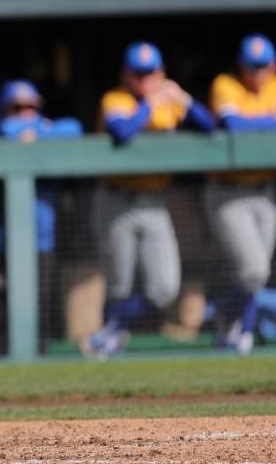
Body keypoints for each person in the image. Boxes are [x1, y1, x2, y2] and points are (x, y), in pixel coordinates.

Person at [84, 41, 215, 360]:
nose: (144, 80)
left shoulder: (169, 102)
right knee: (119, 283)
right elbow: (122, 130)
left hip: (154, 202)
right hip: (117, 200)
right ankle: (111, 341)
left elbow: (210, 126)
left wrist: (182, 98)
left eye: (150, 73)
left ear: (161, 73)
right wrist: (151, 103)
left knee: (165, 288)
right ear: (125, 74)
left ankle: (112, 329)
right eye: (137, 74)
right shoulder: (116, 98)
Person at [0, 79, 82, 356]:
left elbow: (74, 128)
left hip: (42, 241)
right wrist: (40, 131)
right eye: (18, 107)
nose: (26, 113)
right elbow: (1, 131)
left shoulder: (45, 132)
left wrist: (37, 133)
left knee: (40, 310)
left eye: (31, 107)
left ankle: (40, 365)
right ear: (5, 108)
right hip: (3, 242)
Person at [205, 34, 276, 355]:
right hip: (229, 192)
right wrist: (274, 121)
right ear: (241, 66)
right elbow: (233, 123)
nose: (257, 74)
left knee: (253, 274)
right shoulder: (226, 84)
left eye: (263, 66)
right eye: (251, 67)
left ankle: (227, 314)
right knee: (255, 271)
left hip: (265, 192)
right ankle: (245, 329)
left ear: (274, 65)